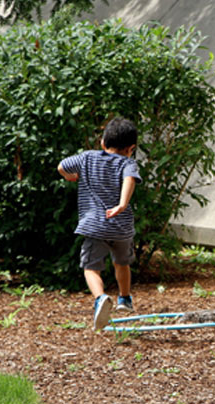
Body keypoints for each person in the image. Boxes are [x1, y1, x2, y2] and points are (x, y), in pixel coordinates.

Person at [58, 118, 142, 330]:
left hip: (95, 226)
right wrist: (122, 204)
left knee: (90, 268)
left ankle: (100, 298)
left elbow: (61, 166)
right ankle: (124, 298)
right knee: (122, 263)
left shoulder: (87, 157)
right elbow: (129, 180)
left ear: (103, 143)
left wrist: (71, 176)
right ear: (131, 148)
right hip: (121, 228)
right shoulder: (128, 163)